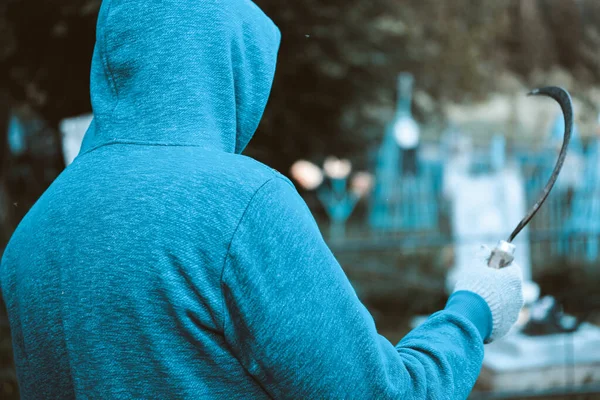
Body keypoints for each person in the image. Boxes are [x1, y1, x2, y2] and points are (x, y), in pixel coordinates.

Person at [0, 1, 523, 398]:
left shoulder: (34, 230)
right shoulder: (239, 204)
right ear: (227, 67)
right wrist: (472, 311)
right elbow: (383, 393)